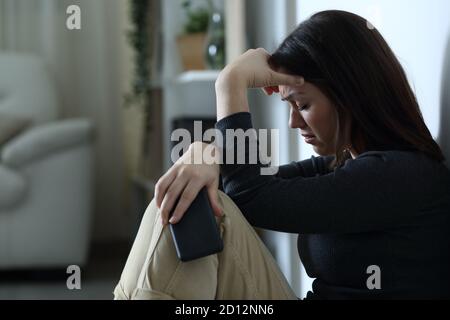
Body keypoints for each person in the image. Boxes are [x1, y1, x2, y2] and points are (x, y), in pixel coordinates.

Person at [114, 10, 450, 300]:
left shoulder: (401, 175)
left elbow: (249, 195)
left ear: (351, 93)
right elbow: (241, 186)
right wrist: (205, 152)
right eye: (289, 106)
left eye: (303, 104)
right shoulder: (344, 166)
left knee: (187, 205)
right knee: (182, 197)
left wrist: (230, 83)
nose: (293, 122)